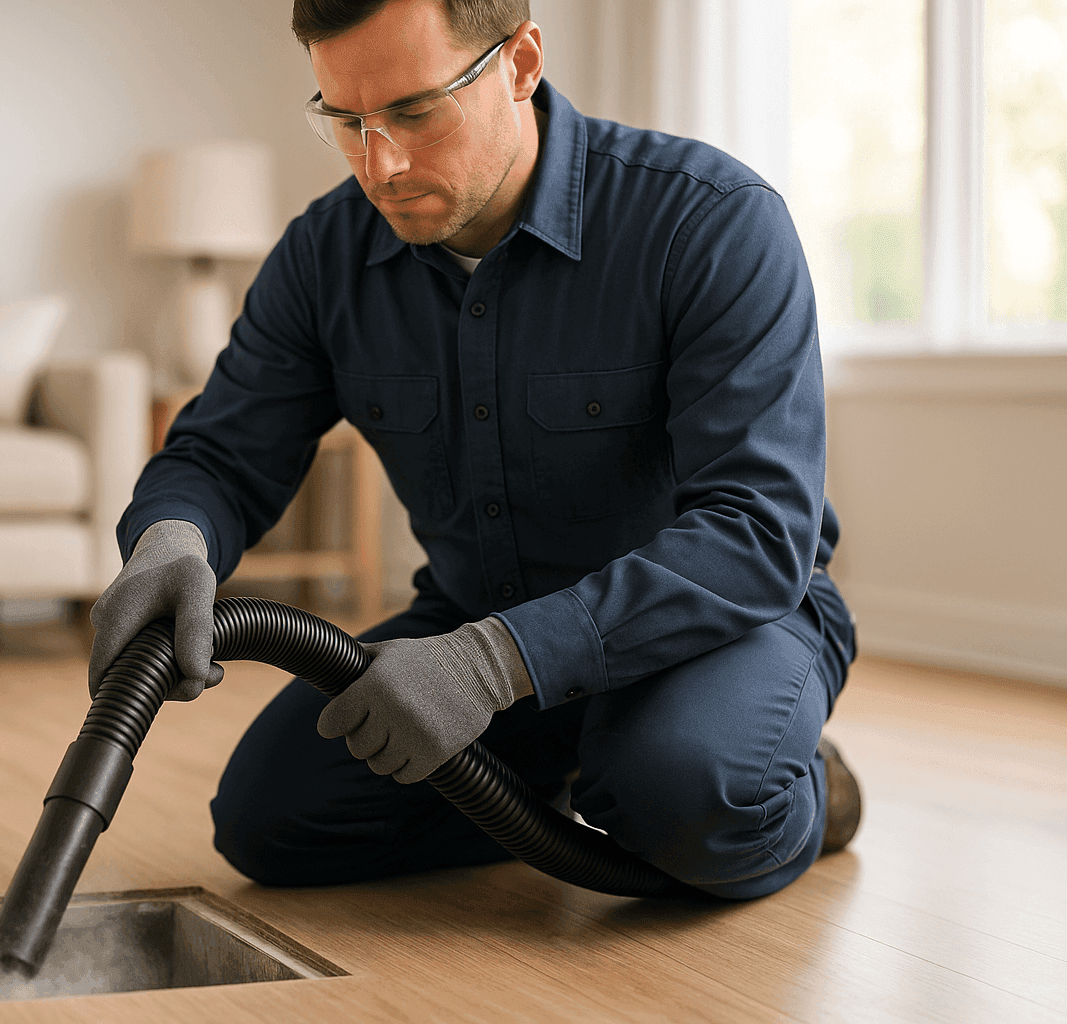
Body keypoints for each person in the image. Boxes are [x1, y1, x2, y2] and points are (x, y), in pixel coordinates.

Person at [89, 0, 861, 900]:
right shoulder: (323, 256)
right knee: (274, 822)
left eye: (415, 111)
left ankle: (804, 786)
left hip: (717, 627)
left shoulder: (711, 222)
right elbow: (222, 454)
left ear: (521, 62)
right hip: (473, 616)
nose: (381, 163)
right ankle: (559, 787)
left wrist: (495, 662)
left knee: (681, 792)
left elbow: (758, 533)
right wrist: (172, 538)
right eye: (346, 120)